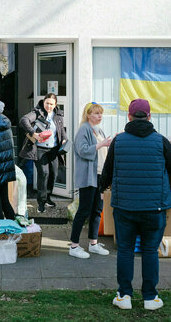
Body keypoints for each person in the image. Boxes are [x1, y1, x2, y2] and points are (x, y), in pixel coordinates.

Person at [100, 99, 171, 310]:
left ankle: (124, 296)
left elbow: (107, 172)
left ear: (128, 117)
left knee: (125, 250)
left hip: (124, 207)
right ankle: (150, 297)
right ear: (149, 117)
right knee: (149, 251)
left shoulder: (118, 142)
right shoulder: (161, 141)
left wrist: (102, 190)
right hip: (154, 208)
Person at [69, 103, 113, 259]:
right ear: (88, 115)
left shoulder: (98, 130)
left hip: (99, 176)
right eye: (96, 113)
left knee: (97, 210)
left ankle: (93, 244)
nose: (100, 116)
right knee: (84, 210)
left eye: (101, 113)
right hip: (89, 176)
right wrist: (101, 144)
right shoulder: (84, 129)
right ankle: (74, 246)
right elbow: (82, 150)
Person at [18, 93, 68, 213]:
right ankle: (41, 202)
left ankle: (48, 198)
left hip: (54, 150)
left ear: (55, 104)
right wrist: (32, 133)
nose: (49, 106)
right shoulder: (37, 112)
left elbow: (61, 130)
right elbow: (23, 120)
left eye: (51, 104)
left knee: (53, 174)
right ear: (43, 102)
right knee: (44, 173)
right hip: (40, 149)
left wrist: (64, 139)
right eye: (47, 103)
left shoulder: (58, 115)